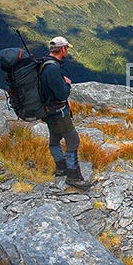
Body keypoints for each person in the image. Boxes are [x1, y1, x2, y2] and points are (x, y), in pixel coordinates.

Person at [40, 36, 91, 190]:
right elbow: (62, 94)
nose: (67, 51)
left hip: (46, 110)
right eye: (67, 49)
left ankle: (61, 167)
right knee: (73, 140)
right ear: (62, 49)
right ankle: (73, 176)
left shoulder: (44, 63)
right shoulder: (53, 68)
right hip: (57, 111)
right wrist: (67, 85)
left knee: (55, 137)